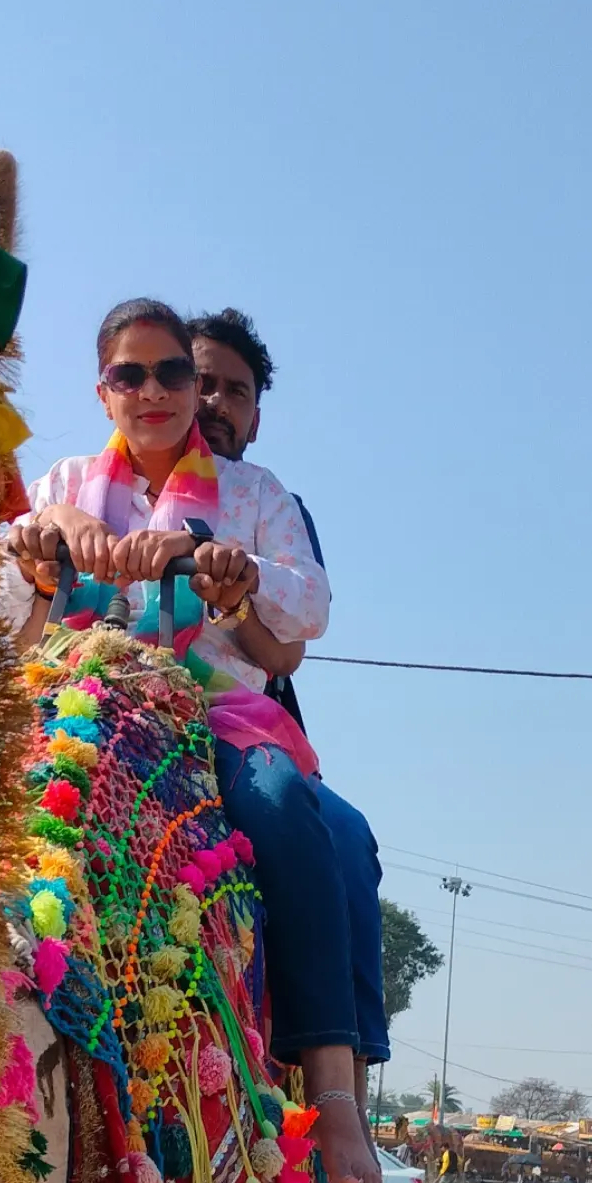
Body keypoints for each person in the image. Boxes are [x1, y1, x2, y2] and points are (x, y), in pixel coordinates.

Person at [1, 297, 380, 1183]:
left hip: (210, 720)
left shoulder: (255, 498)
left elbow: (304, 610)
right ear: (103, 392)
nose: (160, 391)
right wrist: (41, 556)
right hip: (74, 705)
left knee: (292, 811)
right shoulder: (59, 485)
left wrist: (230, 571)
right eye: (132, 375)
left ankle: (332, 1087)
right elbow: (3, 618)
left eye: (173, 372)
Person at [187, 307, 390, 1083]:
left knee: (345, 841)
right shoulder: (101, 482)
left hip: (240, 720)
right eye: (198, 381)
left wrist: (233, 593)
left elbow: (286, 653)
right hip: (103, 698)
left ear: (257, 417)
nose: (215, 403)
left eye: (234, 392)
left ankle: (342, 1075)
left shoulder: (271, 506)